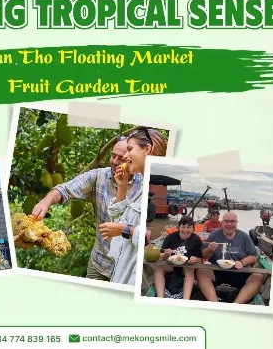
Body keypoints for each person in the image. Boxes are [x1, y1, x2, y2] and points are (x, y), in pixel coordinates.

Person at [30, 139, 144, 281]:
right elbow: (64, 189)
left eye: (120, 158)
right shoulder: (99, 176)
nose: (114, 161)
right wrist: (45, 202)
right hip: (100, 264)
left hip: (127, 268)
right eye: (113, 155)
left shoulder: (144, 184)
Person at [98, 126, 168, 285]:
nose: (125, 155)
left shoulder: (153, 189)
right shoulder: (141, 187)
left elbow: (150, 238)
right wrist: (122, 188)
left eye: (129, 149)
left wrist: (125, 230)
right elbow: (118, 220)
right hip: (121, 271)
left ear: (147, 149)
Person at [197, 212, 263, 303]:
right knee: (201, 271)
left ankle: (236, 305)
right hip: (217, 269)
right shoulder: (214, 235)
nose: (229, 224)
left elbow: (253, 256)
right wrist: (209, 249)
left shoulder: (244, 236)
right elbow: (204, 255)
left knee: (258, 277)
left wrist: (242, 262)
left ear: (236, 223)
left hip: (239, 271)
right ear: (222, 223)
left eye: (232, 221)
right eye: (226, 221)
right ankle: (215, 303)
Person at [153, 215, 202, 299]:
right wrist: (166, 254)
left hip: (186, 267)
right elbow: (159, 256)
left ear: (193, 229)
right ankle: (160, 297)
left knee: (190, 270)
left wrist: (195, 260)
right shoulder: (170, 237)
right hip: (171, 265)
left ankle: (185, 300)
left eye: (189, 227)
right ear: (179, 227)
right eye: (183, 226)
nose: (185, 230)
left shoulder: (196, 240)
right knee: (158, 267)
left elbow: (201, 260)